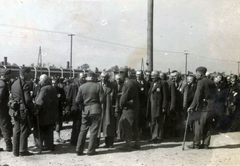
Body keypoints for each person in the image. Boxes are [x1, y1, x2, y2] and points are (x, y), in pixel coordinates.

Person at [75, 71, 105, 156]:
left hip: (85, 110)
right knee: (94, 130)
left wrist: (84, 103)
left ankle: (79, 149)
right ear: (94, 78)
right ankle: (91, 150)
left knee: (83, 130)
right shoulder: (98, 86)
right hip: (95, 109)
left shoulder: (81, 87)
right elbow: (102, 100)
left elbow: (77, 100)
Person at [187, 66, 217, 149]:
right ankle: (206, 144)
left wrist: (191, 107)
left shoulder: (200, 82)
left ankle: (196, 144)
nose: (195, 75)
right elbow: (216, 95)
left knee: (198, 126)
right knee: (208, 126)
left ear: (201, 73)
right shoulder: (211, 82)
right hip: (211, 108)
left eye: (196, 73)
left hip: (202, 108)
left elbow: (197, 95)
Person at [10, 67, 35, 156]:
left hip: (15, 109)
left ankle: (15, 150)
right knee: (24, 129)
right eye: (30, 73)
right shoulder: (25, 84)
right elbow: (28, 100)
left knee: (16, 130)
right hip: (23, 110)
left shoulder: (14, 83)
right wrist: (33, 107)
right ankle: (23, 150)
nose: (31, 75)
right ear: (25, 74)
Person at [34, 74, 59, 151]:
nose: (39, 82)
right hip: (52, 112)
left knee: (41, 129)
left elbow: (39, 101)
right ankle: (50, 145)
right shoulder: (53, 88)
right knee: (50, 129)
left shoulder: (44, 89)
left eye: (41, 80)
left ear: (44, 81)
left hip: (44, 113)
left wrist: (35, 109)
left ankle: (41, 145)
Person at [118, 68, 140, 151]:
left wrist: (121, 104)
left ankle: (128, 144)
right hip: (135, 107)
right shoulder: (134, 82)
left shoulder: (126, 85)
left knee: (127, 125)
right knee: (135, 126)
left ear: (123, 75)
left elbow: (123, 99)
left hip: (128, 109)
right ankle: (137, 143)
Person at [97, 71, 117, 148]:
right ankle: (96, 143)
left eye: (105, 77)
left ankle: (109, 143)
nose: (103, 79)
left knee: (109, 125)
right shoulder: (97, 86)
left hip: (108, 109)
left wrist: (116, 109)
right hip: (99, 108)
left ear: (108, 78)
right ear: (100, 78)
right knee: (97, 126)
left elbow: (116, 98)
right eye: (102, 77)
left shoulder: (113, 86)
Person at [147, 70, 168, 143]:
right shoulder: (152, 83)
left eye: (154, 76)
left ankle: (159, 137)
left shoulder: (163, 83)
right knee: (153, 121)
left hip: (159, 106)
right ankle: (153, 136)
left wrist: (164, 107)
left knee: (159, 121)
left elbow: (165, 96)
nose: (152, 77)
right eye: (151, 76)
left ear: (158, 76)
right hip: (152, 105)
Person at [66, 72, 86, 145]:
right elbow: (68, 97)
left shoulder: (84, 85)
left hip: (83, 108)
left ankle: (79, 140)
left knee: (81, 125)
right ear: (78, 77)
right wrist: (68, 108)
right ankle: (74, 140)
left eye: (84, 77)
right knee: (76, 125)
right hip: (75, 108)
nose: (83, 79)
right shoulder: (73, 86)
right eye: (82, 77)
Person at [0, 69, 13, 152]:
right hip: (2, 109)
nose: (10, 77)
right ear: (4, 75)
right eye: (9, 75)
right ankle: (9, 146)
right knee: (5, 127)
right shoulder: (3, 84)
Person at [136, 70, 150, 139]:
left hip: (143, 104)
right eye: (137, 74)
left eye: (140, 74)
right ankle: (136, 135)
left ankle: (144, 134)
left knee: (143, 119)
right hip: (136, 104)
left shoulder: (146, 83)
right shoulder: (134, 83)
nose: (138, 76)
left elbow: (147, 94)